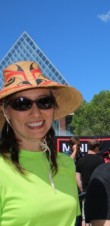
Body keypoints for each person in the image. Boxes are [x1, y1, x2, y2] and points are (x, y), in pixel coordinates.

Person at [0, 61, 83, 225]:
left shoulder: (66, 163)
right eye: (22, 104)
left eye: (44, 102)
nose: (36, 113)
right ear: (5, 111)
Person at [76, 139, 105, 226]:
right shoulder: (100, 160)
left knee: (85, 219)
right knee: (97, 217)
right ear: (96, 148)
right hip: (98, 194)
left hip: (85, 193)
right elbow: (103, 177)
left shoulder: (80, 161)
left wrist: (82, 190)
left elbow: (77, 178)